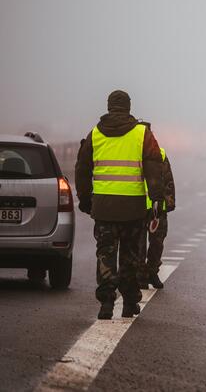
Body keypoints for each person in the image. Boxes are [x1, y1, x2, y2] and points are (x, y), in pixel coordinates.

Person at [75, 90, 165, 320]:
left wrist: (85, 199)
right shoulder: (142, 134)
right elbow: (154, 166)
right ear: (128, 106)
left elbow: (82, 169)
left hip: (104, 207)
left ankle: (106, 302)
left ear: (109, 106)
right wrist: (156, 198)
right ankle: (129, 302)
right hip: (133, 207)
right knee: (130, 256)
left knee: (105, 254)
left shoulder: (95, 134)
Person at [138, 142, 175, 290]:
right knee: (138, 244)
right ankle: (140, 276)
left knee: (157, 242)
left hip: (157, 207)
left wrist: (169, 203)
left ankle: (152, 271)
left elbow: (168, 180)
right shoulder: (132, 152)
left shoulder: (161, 153)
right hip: (138, 205)